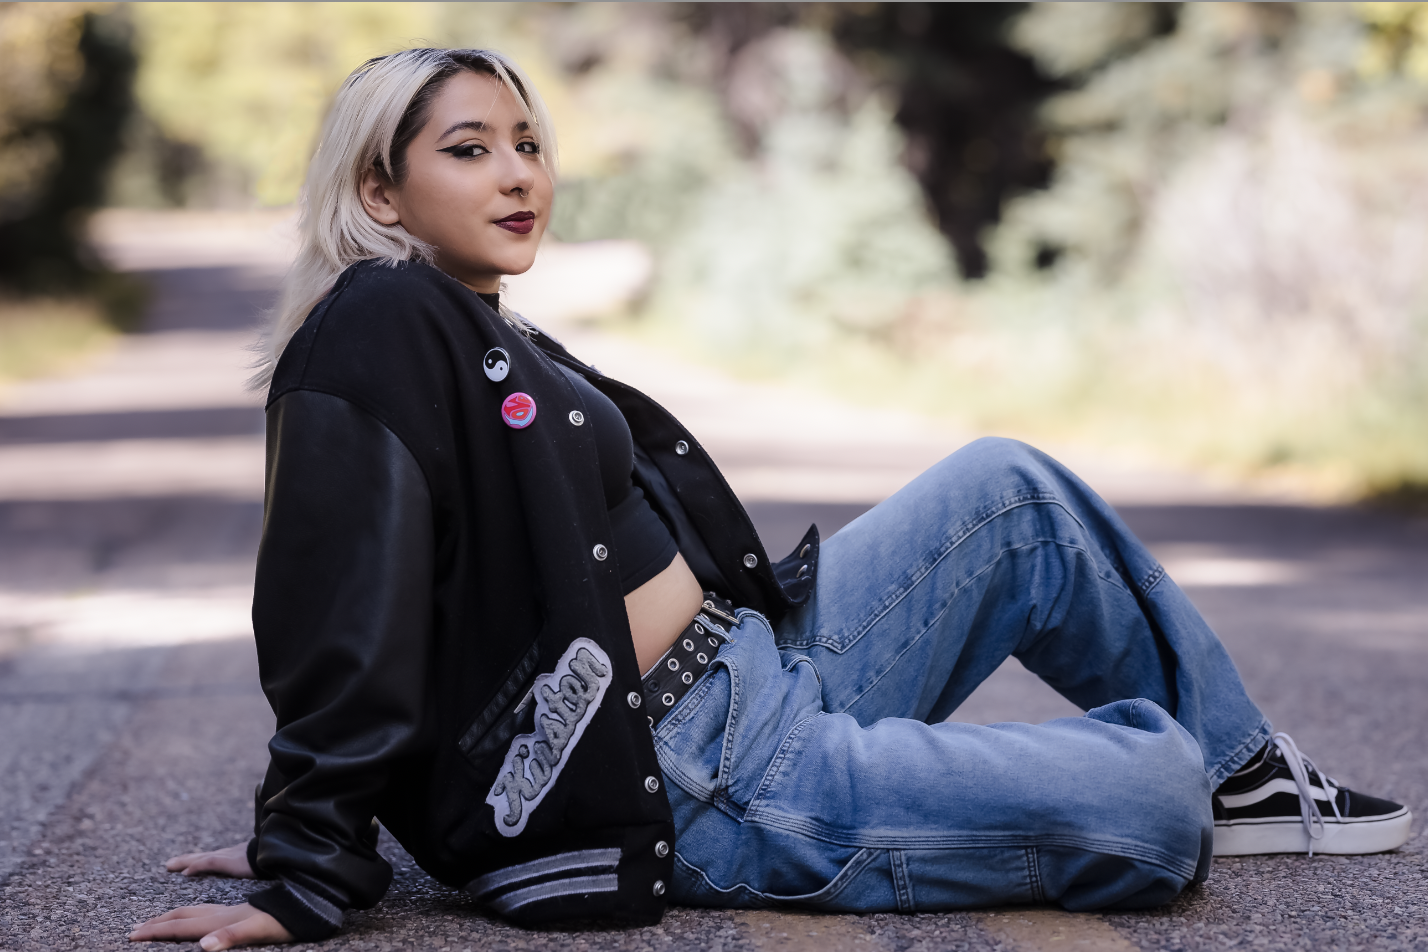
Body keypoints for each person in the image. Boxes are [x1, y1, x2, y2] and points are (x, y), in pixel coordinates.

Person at [128, 48, 1412, 951]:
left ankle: (1249, 777)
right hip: (704, 768)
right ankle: (1196, 786)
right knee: (1147, 803)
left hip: (756, 662)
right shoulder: (381, 323)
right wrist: (305, 850)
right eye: (469, 150)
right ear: (378, 192)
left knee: (1008, 490)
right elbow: (342, 600)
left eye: (528, 143)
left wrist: (318, 808)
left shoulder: (469, 324)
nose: (519, 173)